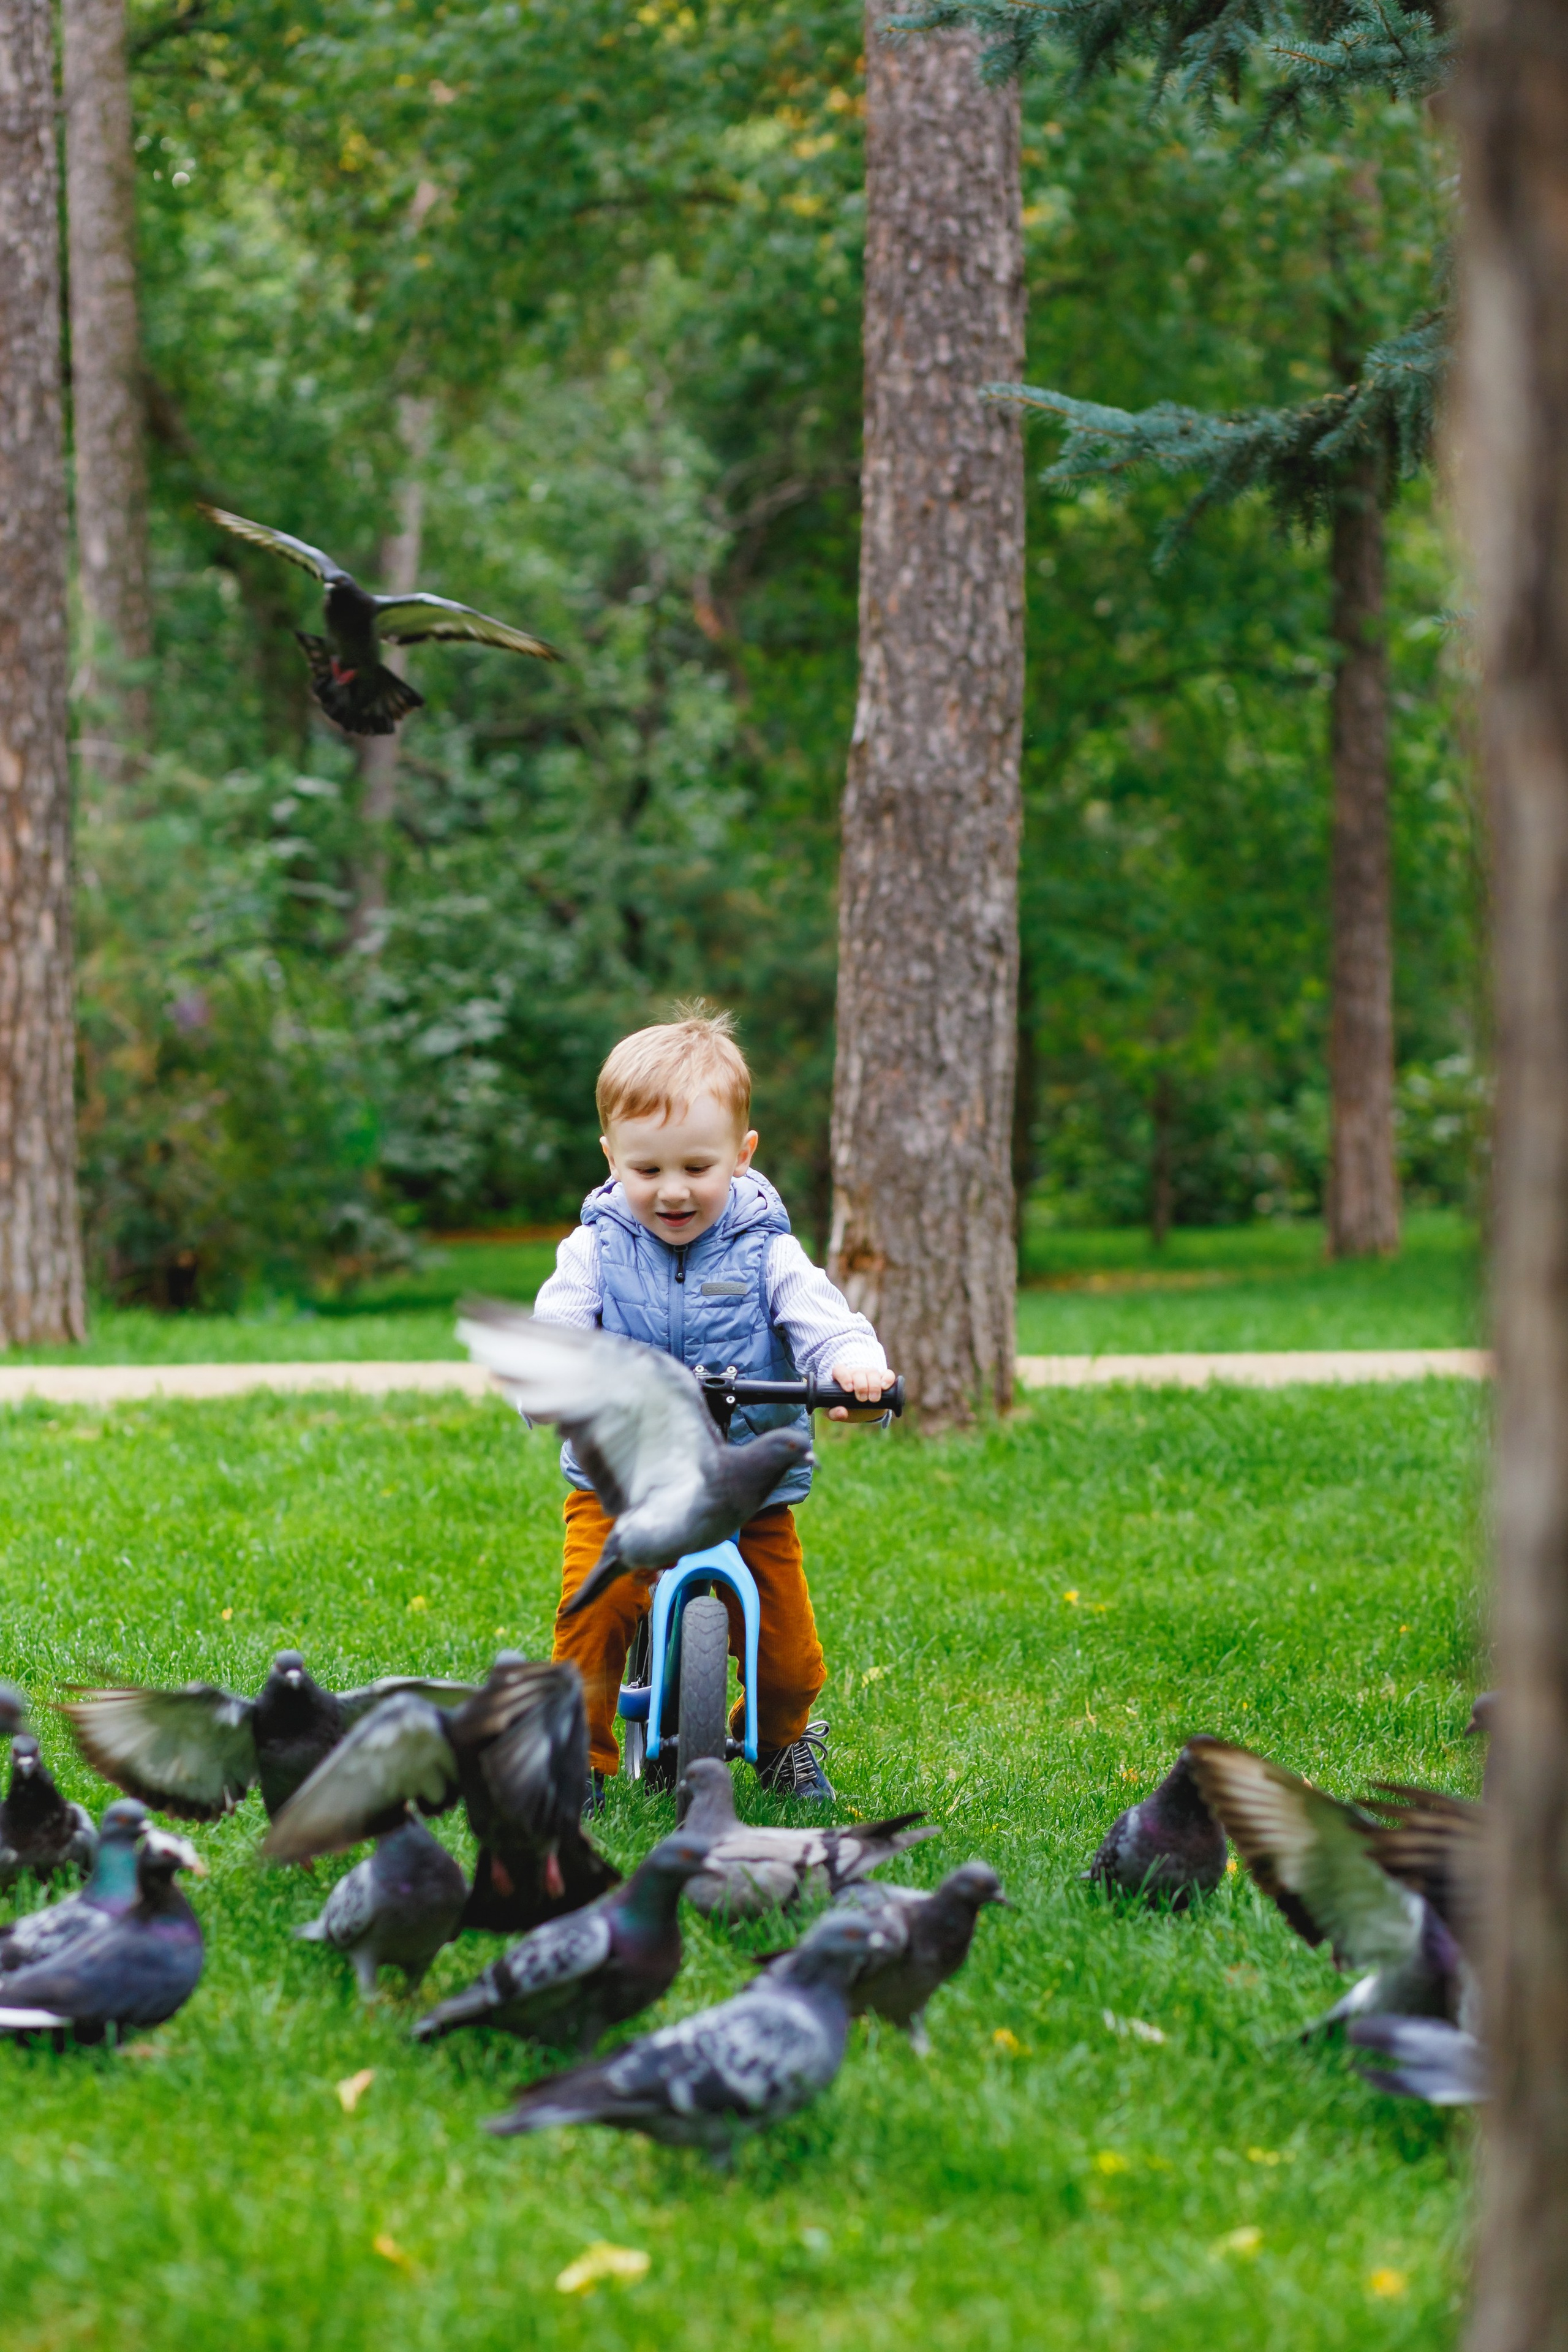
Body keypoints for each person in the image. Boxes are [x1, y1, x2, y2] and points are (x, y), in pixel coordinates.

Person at [533, 1008, 895, 1806]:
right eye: (646, 1169)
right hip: (622, 1484)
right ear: (611, 1158)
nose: (671, 1191)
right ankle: (579, 1761)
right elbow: (559, 1322)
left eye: (697, 1167)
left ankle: (780, 1741)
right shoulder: (593, 1248)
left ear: (742, 1153)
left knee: (792, 1655)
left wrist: (854, 1369)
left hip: (746, 1487)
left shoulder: (768, 1251)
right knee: (589, 1619)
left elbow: (821, 1319)